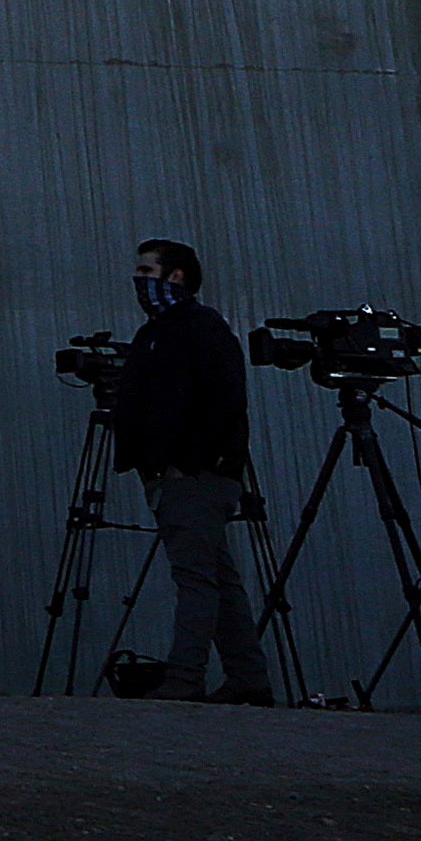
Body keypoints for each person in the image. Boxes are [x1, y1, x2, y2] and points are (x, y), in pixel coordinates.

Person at [108, 236, 272, 705]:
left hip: (192, 476)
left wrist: (187, 462)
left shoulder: (195, 328)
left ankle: (185, 678)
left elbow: (223, 399)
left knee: (196, 579)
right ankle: (248, 678)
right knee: (218, 579)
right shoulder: (162, 331)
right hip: (186, 473)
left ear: (174, 276)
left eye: (147, 271)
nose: (139, 282)